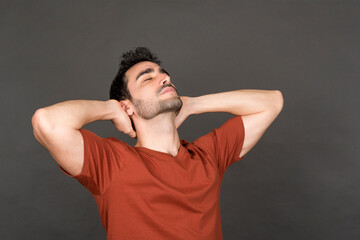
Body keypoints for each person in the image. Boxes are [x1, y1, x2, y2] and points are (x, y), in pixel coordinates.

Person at [31, 47, 283, 240]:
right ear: (126, 105)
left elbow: (272, 102)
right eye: (147, 78)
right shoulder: (111, 163)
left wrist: (195, 104)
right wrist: (109, 109)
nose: (164, 78)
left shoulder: (207, 155)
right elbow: (47, 122)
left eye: (163, 74)